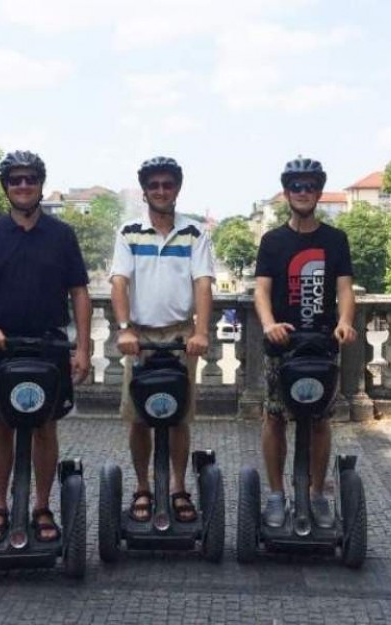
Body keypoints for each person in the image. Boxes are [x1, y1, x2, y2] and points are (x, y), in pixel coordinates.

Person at [0, 150, 92, 543]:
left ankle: (42, 506)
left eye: (30, 179)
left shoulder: (62, 235)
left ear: (39, 184)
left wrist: (82, 348)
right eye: (15, 180)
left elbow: (80, 293)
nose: (23, 186)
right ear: (6, 187)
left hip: (48, 345)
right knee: (0, 427)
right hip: (2, 346)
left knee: (44, 428)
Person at [109, 156, 215, 523]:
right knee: (138, 417)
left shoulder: (195, 233)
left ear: (177, 189)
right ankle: (142, 486)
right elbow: (119, 282)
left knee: (179, 417)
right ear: (145, 191)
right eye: (153, 185)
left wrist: (201, 332)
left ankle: (177, 487)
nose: (160, 191)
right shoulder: (128, 231)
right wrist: (124, 327)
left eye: (167, 184)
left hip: (181, 334)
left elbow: (203, 283)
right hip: (139, 337)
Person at [254, 157, 357, 529]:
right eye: (296, 187)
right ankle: (277, 493)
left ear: (318, 192)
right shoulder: (272, 241)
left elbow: (345, 289)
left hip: (321, 345)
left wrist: (344, 322)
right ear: (286, 193)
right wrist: (268, 325)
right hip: (282, 346)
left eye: (310, 186)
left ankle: (316, 494)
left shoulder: (335, 240)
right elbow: (261, 291)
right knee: (275, 417)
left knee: (319, 422)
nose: (303, 192)